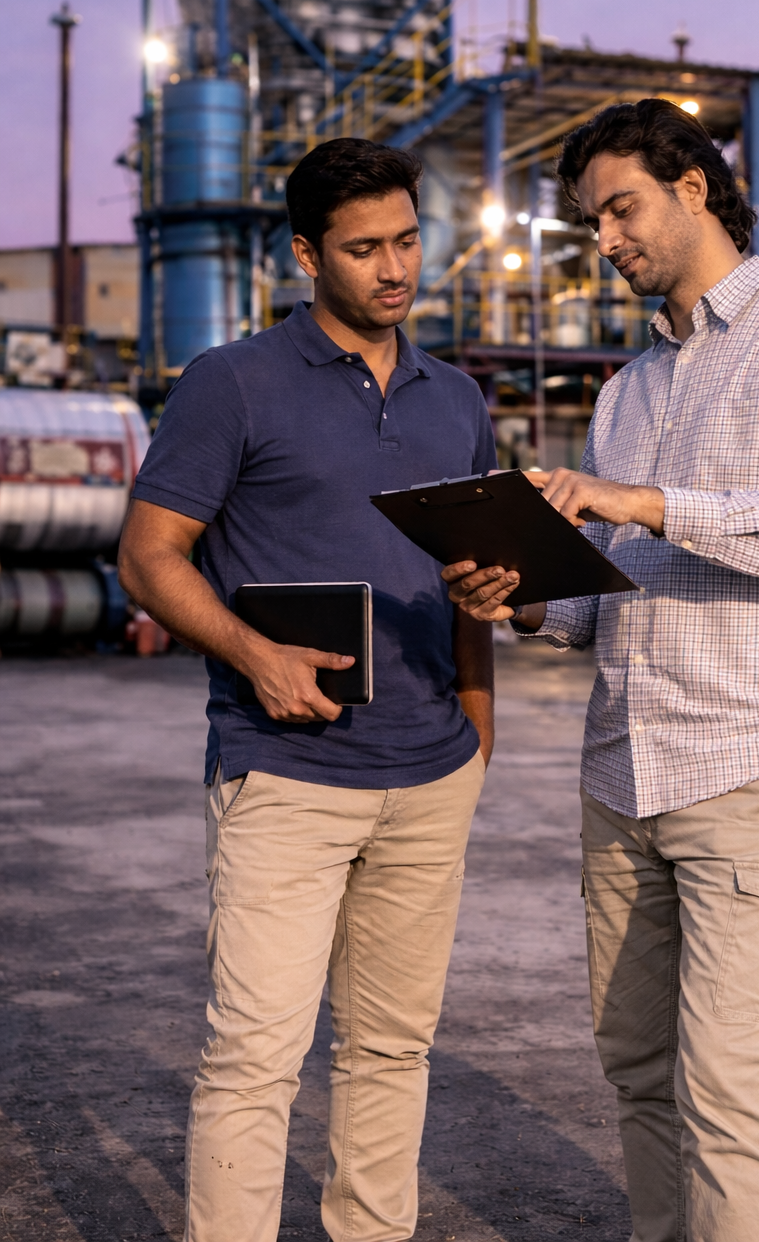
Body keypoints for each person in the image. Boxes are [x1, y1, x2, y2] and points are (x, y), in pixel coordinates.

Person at [443, 99, 759, 1242]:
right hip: (622, 773)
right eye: (594, 220)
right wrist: (531, 595)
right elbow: (606, 602)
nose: (605, 240)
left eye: (621, 208)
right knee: (638, 1070)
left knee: (731, 1087)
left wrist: (639, 501)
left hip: (752, 760)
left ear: (694, 188)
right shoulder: (625, 391)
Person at [119, 138, 496, 1242]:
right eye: (364, 248)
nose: (395, 268)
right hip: (285, 771)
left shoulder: (454, 397)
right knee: (253, 1057)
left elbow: (469, 573)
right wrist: (254, 653)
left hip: (430, 776)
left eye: (408, 240)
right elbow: (149, 556)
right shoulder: (232, 382)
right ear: (302, 254)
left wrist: (479, 725)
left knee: (390, 1050)